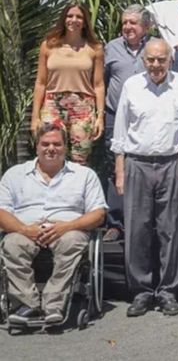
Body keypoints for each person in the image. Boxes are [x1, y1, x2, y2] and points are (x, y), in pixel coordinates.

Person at [112, 38, 178, 317]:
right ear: (143, 61)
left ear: (171, 59)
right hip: (137, 163)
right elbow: (120, 132)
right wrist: (120, 171)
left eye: (161, 59)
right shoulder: (132, 86)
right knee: (137, 230)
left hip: (172, 163)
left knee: (171, 230)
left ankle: (169, 291)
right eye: (151, 60)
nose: (156, 65)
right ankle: (141, 291)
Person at [0, 122, 107, 325]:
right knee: (12, 244)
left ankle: (54, 305)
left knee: (72, 241)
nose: (51, 148)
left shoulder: (84, 175)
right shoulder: (14, 175)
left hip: (69, 229)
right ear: (36, 146)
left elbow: (98, 214)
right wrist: (25, 230)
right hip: (25, 229)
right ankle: (27, 305)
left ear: (65, 147)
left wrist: (66, 227)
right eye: (45, 144)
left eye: (57, 144)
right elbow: (2, 212)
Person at [31, 3, 105, 165]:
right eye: (70, 16)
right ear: (63, 19)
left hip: (83, 108)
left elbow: (99, 85)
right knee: (51, 154)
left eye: (79, 17)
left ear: (85, 22)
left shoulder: (95, 48)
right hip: (52, 106)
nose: (74, 20)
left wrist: (100, 116)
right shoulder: (48, 45)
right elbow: (40, 83)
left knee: (80, 159)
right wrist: (35, 117)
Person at [102, 5, 152, 242]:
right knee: (116, 167)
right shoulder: (111, 48)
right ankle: (116, 223)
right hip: (114, 115)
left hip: (147, 118)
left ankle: (145, 221)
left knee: (145, 167)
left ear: (146, 27)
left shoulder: (155, 47)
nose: (128, 27)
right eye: (125, 22)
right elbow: (101, 81)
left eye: (133, 22)